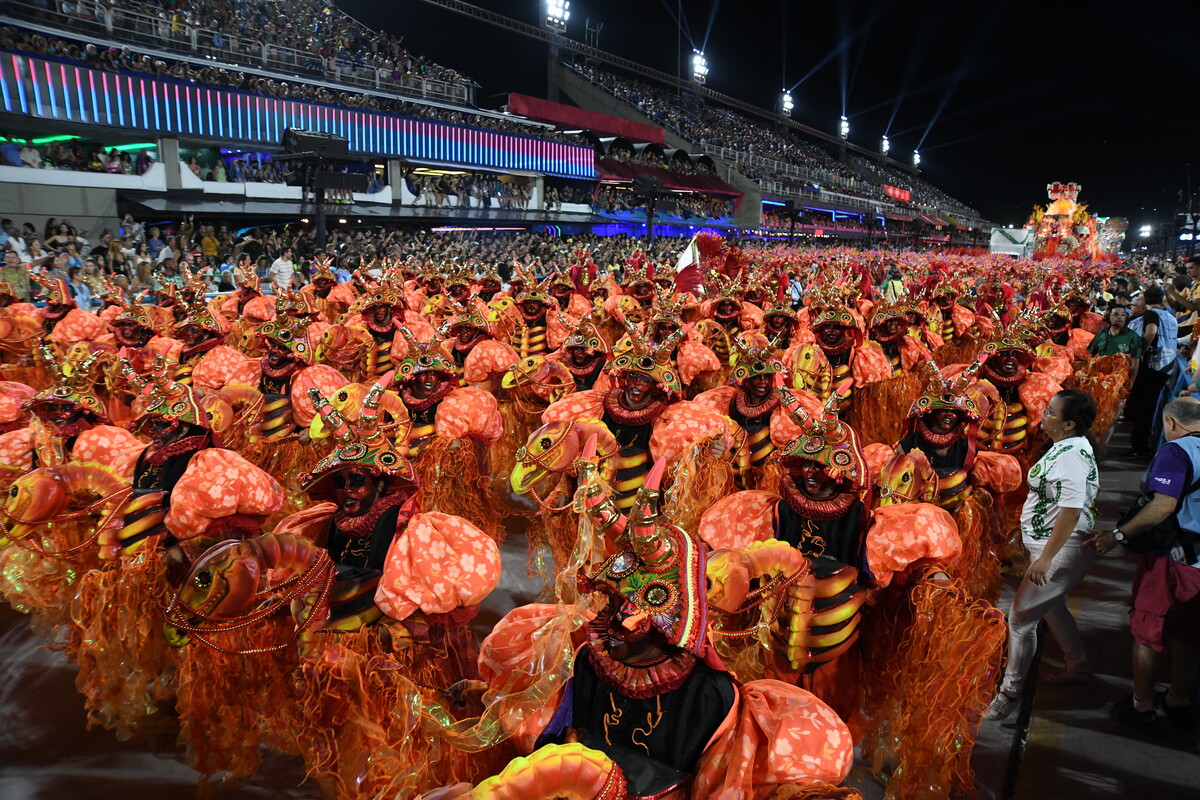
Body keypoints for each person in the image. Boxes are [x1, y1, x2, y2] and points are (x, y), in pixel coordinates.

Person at [986, 390, 1101, 720]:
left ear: (1068, 424)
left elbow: (1071, 510)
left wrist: (1047, 558)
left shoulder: (1071, 456)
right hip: (1054, 546)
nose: (1042, 415)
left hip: (1061, 550)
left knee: (1020, 621)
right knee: (1052, 608)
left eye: (1050, 412)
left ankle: (1009, 693)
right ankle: (1078, 665)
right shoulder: (1067, 447)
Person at [1091, 397, 1200, 731]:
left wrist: (1119, 536)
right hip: (1197, 563)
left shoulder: (1176, 451)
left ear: (1170, 423)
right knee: (1187, 634)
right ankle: (1178, 699)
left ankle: (1141, 706)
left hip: (1172, 557)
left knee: (1148, 630)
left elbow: (1163, 505)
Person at [1127, 287, 1178, 457]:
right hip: (1168, 366)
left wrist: (1140, 351)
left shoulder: (1151, 315)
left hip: (1153, 366)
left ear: (1144, 299)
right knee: (1151, 407)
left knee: (1144, 408)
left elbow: (1151, 331)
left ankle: (1140, 448)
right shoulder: (1170, 317)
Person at [1088, 304, 1142, 384]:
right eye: (1116, 314)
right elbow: (1091, 355)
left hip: (1118, 381)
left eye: (1123, 315)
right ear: (1108, 316)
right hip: (1098, 377)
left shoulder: (1133, 337)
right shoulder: (1101, 333)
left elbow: (1135, 364)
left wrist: (1131, 382)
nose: (1120, 317)